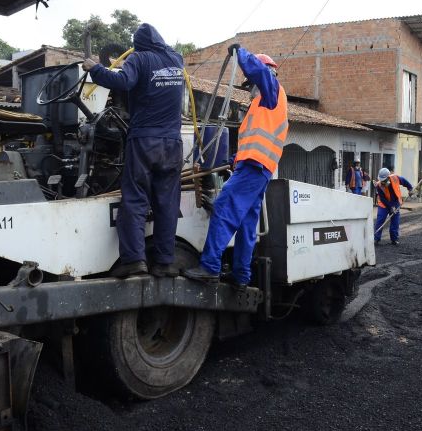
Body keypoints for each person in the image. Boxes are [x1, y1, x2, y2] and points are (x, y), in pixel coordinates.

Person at [82, 23, 184, 278]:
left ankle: (134, 260)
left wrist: (95, 68)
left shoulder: (139, 58)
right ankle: (164, 262)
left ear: (137, 44)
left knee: (136, 200)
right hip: (173, 144)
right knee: (167, 204)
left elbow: (123, 81)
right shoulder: (176, 59)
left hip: (145, 141)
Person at [182, 45, 288, 290]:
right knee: (247, 224)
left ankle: (209, 267)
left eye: (250, 83)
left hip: (254, 168)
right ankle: (241, 275)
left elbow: (259, 72)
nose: (249, 89)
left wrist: (241, 53)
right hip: (255, 167)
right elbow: (256, 139)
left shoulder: (272, 91)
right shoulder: (262, 104)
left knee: (224, 206)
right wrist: (234, 160)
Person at [373, 167, 413, 245]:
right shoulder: (379, 185)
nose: (383, 183)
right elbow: (383, 199)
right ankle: (376, 239)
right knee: (380, 219)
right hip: (384, 204)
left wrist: (410, 189)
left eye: (384, 181)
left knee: (395, 221)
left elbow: (404, 181)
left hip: (395, 202)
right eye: (382, 181)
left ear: (388, 177)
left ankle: (394, 239)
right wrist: (391, 207)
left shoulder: (395, 178)